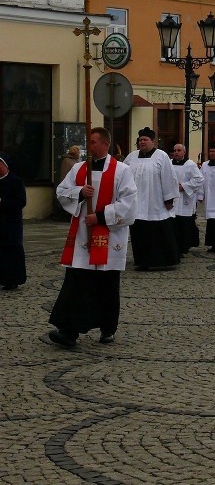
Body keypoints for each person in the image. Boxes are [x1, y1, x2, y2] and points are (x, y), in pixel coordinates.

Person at [49, 127, 138, 347]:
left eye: (95, 142)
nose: (90, 146)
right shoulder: (79, 168)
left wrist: (100, 216)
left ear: (106, 145)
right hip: (82, 238)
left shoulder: (121, 171)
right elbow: (62, 191)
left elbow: (129, 204)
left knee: (106, 286)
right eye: (89, 141)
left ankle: (107, 328)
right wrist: (79, 192)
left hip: (109, 236)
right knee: (77, 283)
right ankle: (68, 331)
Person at [123, 127, 181, 270]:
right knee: (139, 233)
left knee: (158, 232)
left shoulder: (161, 156)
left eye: (145, 140)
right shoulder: (132, 157)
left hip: (156, 202)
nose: (142, 142)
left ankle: (163, 261)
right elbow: (122, 175)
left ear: (153, 142)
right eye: (140, 140)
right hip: (137, 202)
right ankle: (142, 261)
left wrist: (169, 199)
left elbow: (169, 178)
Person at [0, 152, 27, 290]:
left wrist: (2, 202)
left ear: (5, 165)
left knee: (12, 250)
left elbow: (21, 201)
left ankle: (13, 280)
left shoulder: (15, 181)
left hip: (11, 222)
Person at [171, 143, 204, 255]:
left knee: (184, 223)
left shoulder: (190, 165)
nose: (176, 152)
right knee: (173, 223)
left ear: (184, 152)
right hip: (172, 198)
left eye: (179, 150)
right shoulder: (169, 164)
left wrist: (184, 186)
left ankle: (184, 246)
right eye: (174, 150)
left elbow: (199, 179)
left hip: (185, 198)